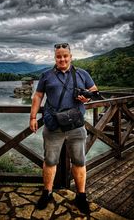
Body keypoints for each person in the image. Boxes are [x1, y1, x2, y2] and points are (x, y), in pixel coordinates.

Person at [29, 43, 98, 214]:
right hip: (53, 125)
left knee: (79, 161)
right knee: (50, 161)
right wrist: (32, 117)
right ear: (55, 58)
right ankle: (47, 193)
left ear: (71, 56)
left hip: (76, 126)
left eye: (65, 55)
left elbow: (94, 90)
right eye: (59, 56)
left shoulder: (82, 73)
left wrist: (87, 98)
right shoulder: (46, 75)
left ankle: (81, 196)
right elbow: (38, 96)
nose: (62, 59)